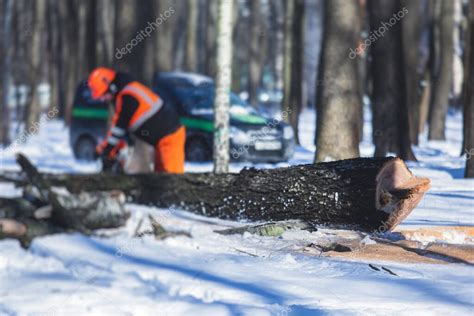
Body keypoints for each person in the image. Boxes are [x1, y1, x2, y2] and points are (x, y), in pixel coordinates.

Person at [87, 67, 185, 173]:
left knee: (173, 182)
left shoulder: (128, 96)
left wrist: (107, 150)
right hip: (161, 141)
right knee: (161, 182)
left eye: (104, 95)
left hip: (170, 138)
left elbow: (119, 128)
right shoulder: (125, 94)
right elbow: (121, 131)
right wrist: (108, 149)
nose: (104, 99)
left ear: (111, 86)